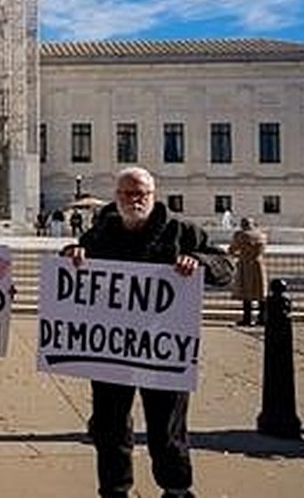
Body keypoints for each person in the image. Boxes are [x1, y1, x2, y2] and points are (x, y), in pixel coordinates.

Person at [63, 167, 233, 498]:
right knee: (110, 427)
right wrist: (71, 254)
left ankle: (176, 488)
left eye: (141, 193)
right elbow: (77, 265)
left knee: (167, 428)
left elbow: (225, 268)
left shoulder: (181, 231)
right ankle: (114, 490)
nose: (135, 200)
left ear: (153, 195)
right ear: (117, 197)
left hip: (163, 347)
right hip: (111, 347)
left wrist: (198, 261)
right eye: (128, 193)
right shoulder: (101, 233)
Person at [229, 217, 268, 327]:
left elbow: (232, 250)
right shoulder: (262, 235)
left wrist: (238, 254)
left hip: (245, 264)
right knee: (260, 292)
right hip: (258, 264)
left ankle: (247, 319)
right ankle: (262, 318)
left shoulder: (240, 235)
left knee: (246, 292)